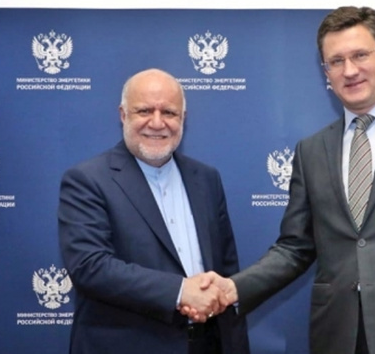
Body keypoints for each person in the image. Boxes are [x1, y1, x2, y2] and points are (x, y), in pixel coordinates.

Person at [188, 6, 375, 354]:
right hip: (336, 336)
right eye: (336, 61)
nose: (349, 70)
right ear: (326, 71)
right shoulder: (311, 150)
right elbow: (294, 249)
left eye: (360, 55)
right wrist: (233, 288)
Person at [59, 68, 249, 354]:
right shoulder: (87, 180)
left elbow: (226, 268)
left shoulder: (206, 179)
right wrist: (181, 291)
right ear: (123, 115)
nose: (157, 123)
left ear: (183, 118)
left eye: (169, 112)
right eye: (144, 111)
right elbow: (90, 266)